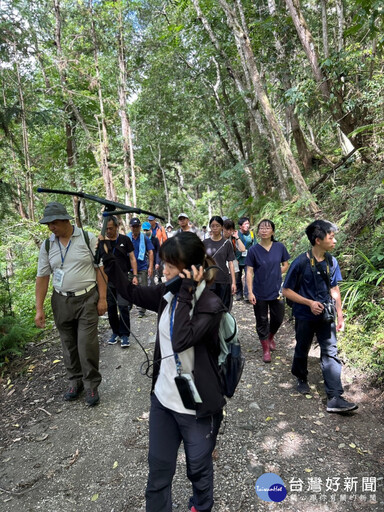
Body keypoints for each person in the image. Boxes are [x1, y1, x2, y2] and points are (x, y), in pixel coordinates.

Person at [100, 232, 226, 512]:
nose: (162, 269)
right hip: (163, 401)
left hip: (197, 408)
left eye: (170, 265)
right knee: (158, 472)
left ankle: (201, 506)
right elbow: (131, 293)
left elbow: (182, 338)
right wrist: (110, 259)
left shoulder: (210, 305)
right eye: (165, 263)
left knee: (199, 471)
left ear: (192, 269)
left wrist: (186, 291)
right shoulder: (168, 293)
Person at [35, 202, 107, 406]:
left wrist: (102, 299)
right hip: (61, 300)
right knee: (68, 344)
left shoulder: (87, 238)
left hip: (87, 298)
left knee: (86, 344)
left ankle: (91, 385)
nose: (51, 227)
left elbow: (100, 269)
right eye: (48, 224)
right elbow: (42, 276)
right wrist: (39, 309)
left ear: (65, 220)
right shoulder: (48, 244)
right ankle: (75, 381)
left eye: (54, 223)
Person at [282, 220, 358, 413]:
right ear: (318, 240)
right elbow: (286, 291)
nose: (334, 241)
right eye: (331, 237)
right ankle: (300, 376)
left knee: (330, 351)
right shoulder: (300, 262)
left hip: (326, 315)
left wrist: (340, 315)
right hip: (304, 315)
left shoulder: (332, 261)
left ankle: (334, 397)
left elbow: (334, 288)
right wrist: (309, 303)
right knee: (302, 346)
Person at [245, 219, 290, 363]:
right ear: (258, 231)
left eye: (267, 228)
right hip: (259, 291)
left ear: (273, 231)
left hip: (276, 290)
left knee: (278, 317)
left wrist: (277, 273)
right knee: (261, 319)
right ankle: (265, 349)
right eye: (261, 228)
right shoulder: (253, 250)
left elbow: (286, 264)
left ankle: (270, 337)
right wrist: (250, 292)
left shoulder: (279, 247)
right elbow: (249, 272)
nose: (264, 230)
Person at [105, 216, 138, 348]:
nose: (108, 231)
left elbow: (132, 258)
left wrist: (135, 275)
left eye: (111, 228)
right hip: (108, 280)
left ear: (117, 227)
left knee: (123, 306)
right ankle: (115, 332)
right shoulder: (103, 242)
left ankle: (125, 334)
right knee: (111, 308)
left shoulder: (125, 239)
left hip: (123, 278)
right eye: (106, 229)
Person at [203, 215, 236, 310]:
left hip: (224, 280)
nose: (215, 228)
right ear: (210, 227)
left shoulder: (227, 243)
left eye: (217, 225)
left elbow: (231, 263)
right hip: (209, 280)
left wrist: (233, 282)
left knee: (224, 309)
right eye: (212, 226)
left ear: (222, 227)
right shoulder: (205, 242)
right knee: (209, 308)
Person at [127, 217, 154, 317]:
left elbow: (151, 252)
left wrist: (150, 267)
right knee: (128, 288)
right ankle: (128, 306)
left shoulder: (145, 238)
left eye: (137, 226)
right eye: (133, 226)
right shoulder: (127, 238)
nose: (135, 228)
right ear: (130, 227)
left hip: (142, 268)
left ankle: (141, 310)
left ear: (139, 227)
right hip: (129, 269)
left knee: (142, 289)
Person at [235, 216, 255, 301]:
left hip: (248, 259)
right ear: (240, 226)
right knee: (237, 278)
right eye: (245, 224)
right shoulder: (236, 234)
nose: (247, 225)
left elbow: (254, 245)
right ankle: (239, 294)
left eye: (248, 223)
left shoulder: (251, 233)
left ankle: (247, 295)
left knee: (248, 276)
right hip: (238, 259)